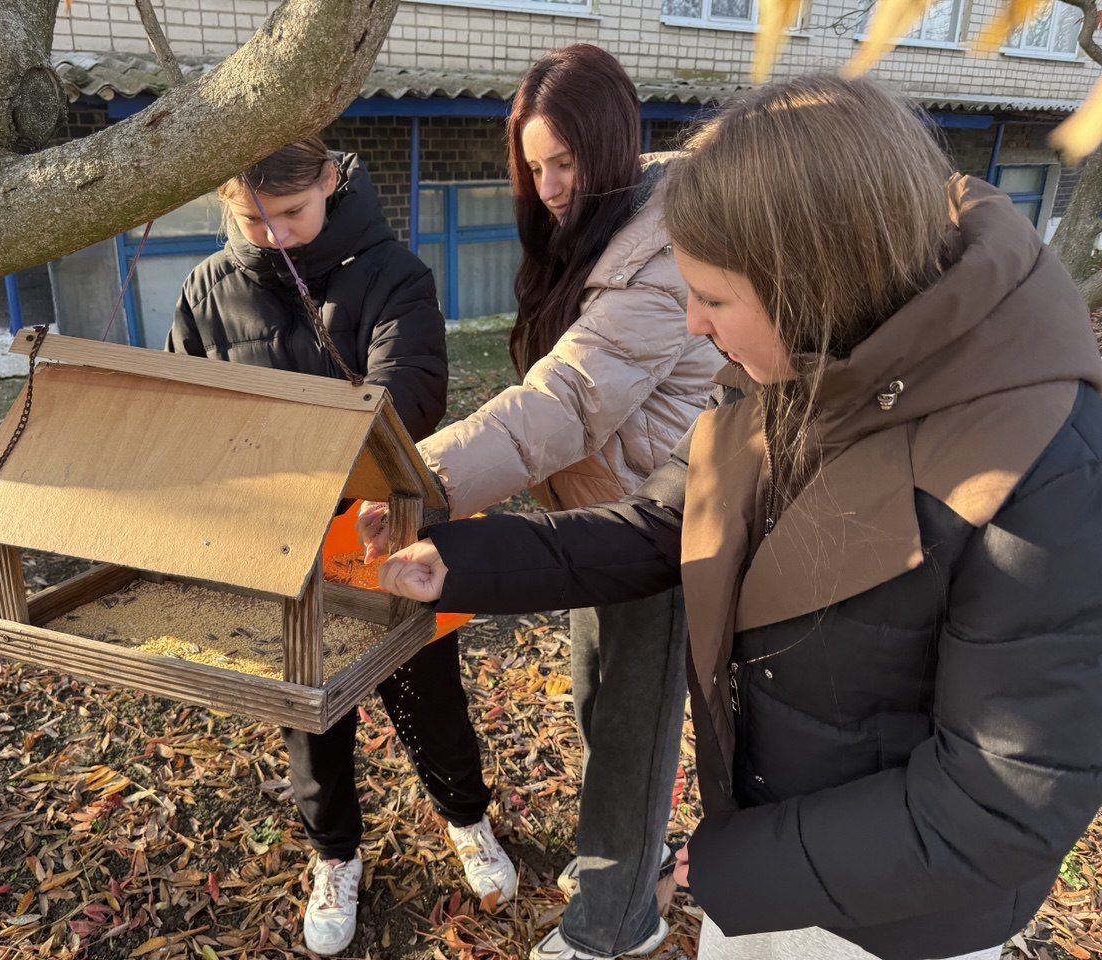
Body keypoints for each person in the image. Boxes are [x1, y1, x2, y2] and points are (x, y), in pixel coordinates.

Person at [377, 76, 1102, 960]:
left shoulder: (1047, 465)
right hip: (765, 862)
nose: (694, 323)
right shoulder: (797, 368)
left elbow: (1002, 800)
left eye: (714, 301)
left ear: (812, 280)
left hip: (905, 924)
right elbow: (659, 524)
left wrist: (719, 869)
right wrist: (458, 563)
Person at [360, 44, 720, 960]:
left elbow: (560, 404)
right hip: (596, 518)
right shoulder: (603, 227)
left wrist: (416, 481)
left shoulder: (664, 251)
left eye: (567, 162)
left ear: (613, 144)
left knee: (635, 733)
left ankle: (615, 924)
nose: (550, 184)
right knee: (601, 705)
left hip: (659, 527)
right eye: (534, 164)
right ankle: (623, 861)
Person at [167, 139, 515, 957]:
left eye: (291, 213)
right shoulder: (208, 289)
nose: (275, 236)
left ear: (331, 179)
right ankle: (336, 855)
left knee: (430, 698)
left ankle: (466, 818)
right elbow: (192, 407)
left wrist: (310, 447)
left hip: (384, 527)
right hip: (281, 544)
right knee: (312, 721)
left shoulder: (393, 273)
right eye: (252, 219)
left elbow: (414, 390)